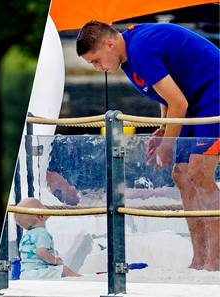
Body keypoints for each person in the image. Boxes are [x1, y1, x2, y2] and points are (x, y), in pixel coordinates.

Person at [76, 21, 219, 271]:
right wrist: (164, 128)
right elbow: (166, 95)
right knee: (182, 175)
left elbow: (178, 102)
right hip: (194, 99)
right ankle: (199, 258)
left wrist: (166, 145)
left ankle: (215, 259)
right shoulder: (127, 54)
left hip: (214, 93)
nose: (98, 68)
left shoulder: (140, 49)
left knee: (199, 173)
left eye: (96, 60)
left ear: (109, 44)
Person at [14, 197, 81, 279]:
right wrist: (55, 261)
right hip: (39, 272)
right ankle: (80, 278)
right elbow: (42, 252)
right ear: (41, 216)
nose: (46, 207)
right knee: (63, 270)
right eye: (42, 206)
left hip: (25, 274)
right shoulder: (42, 233)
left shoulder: (26, 235)